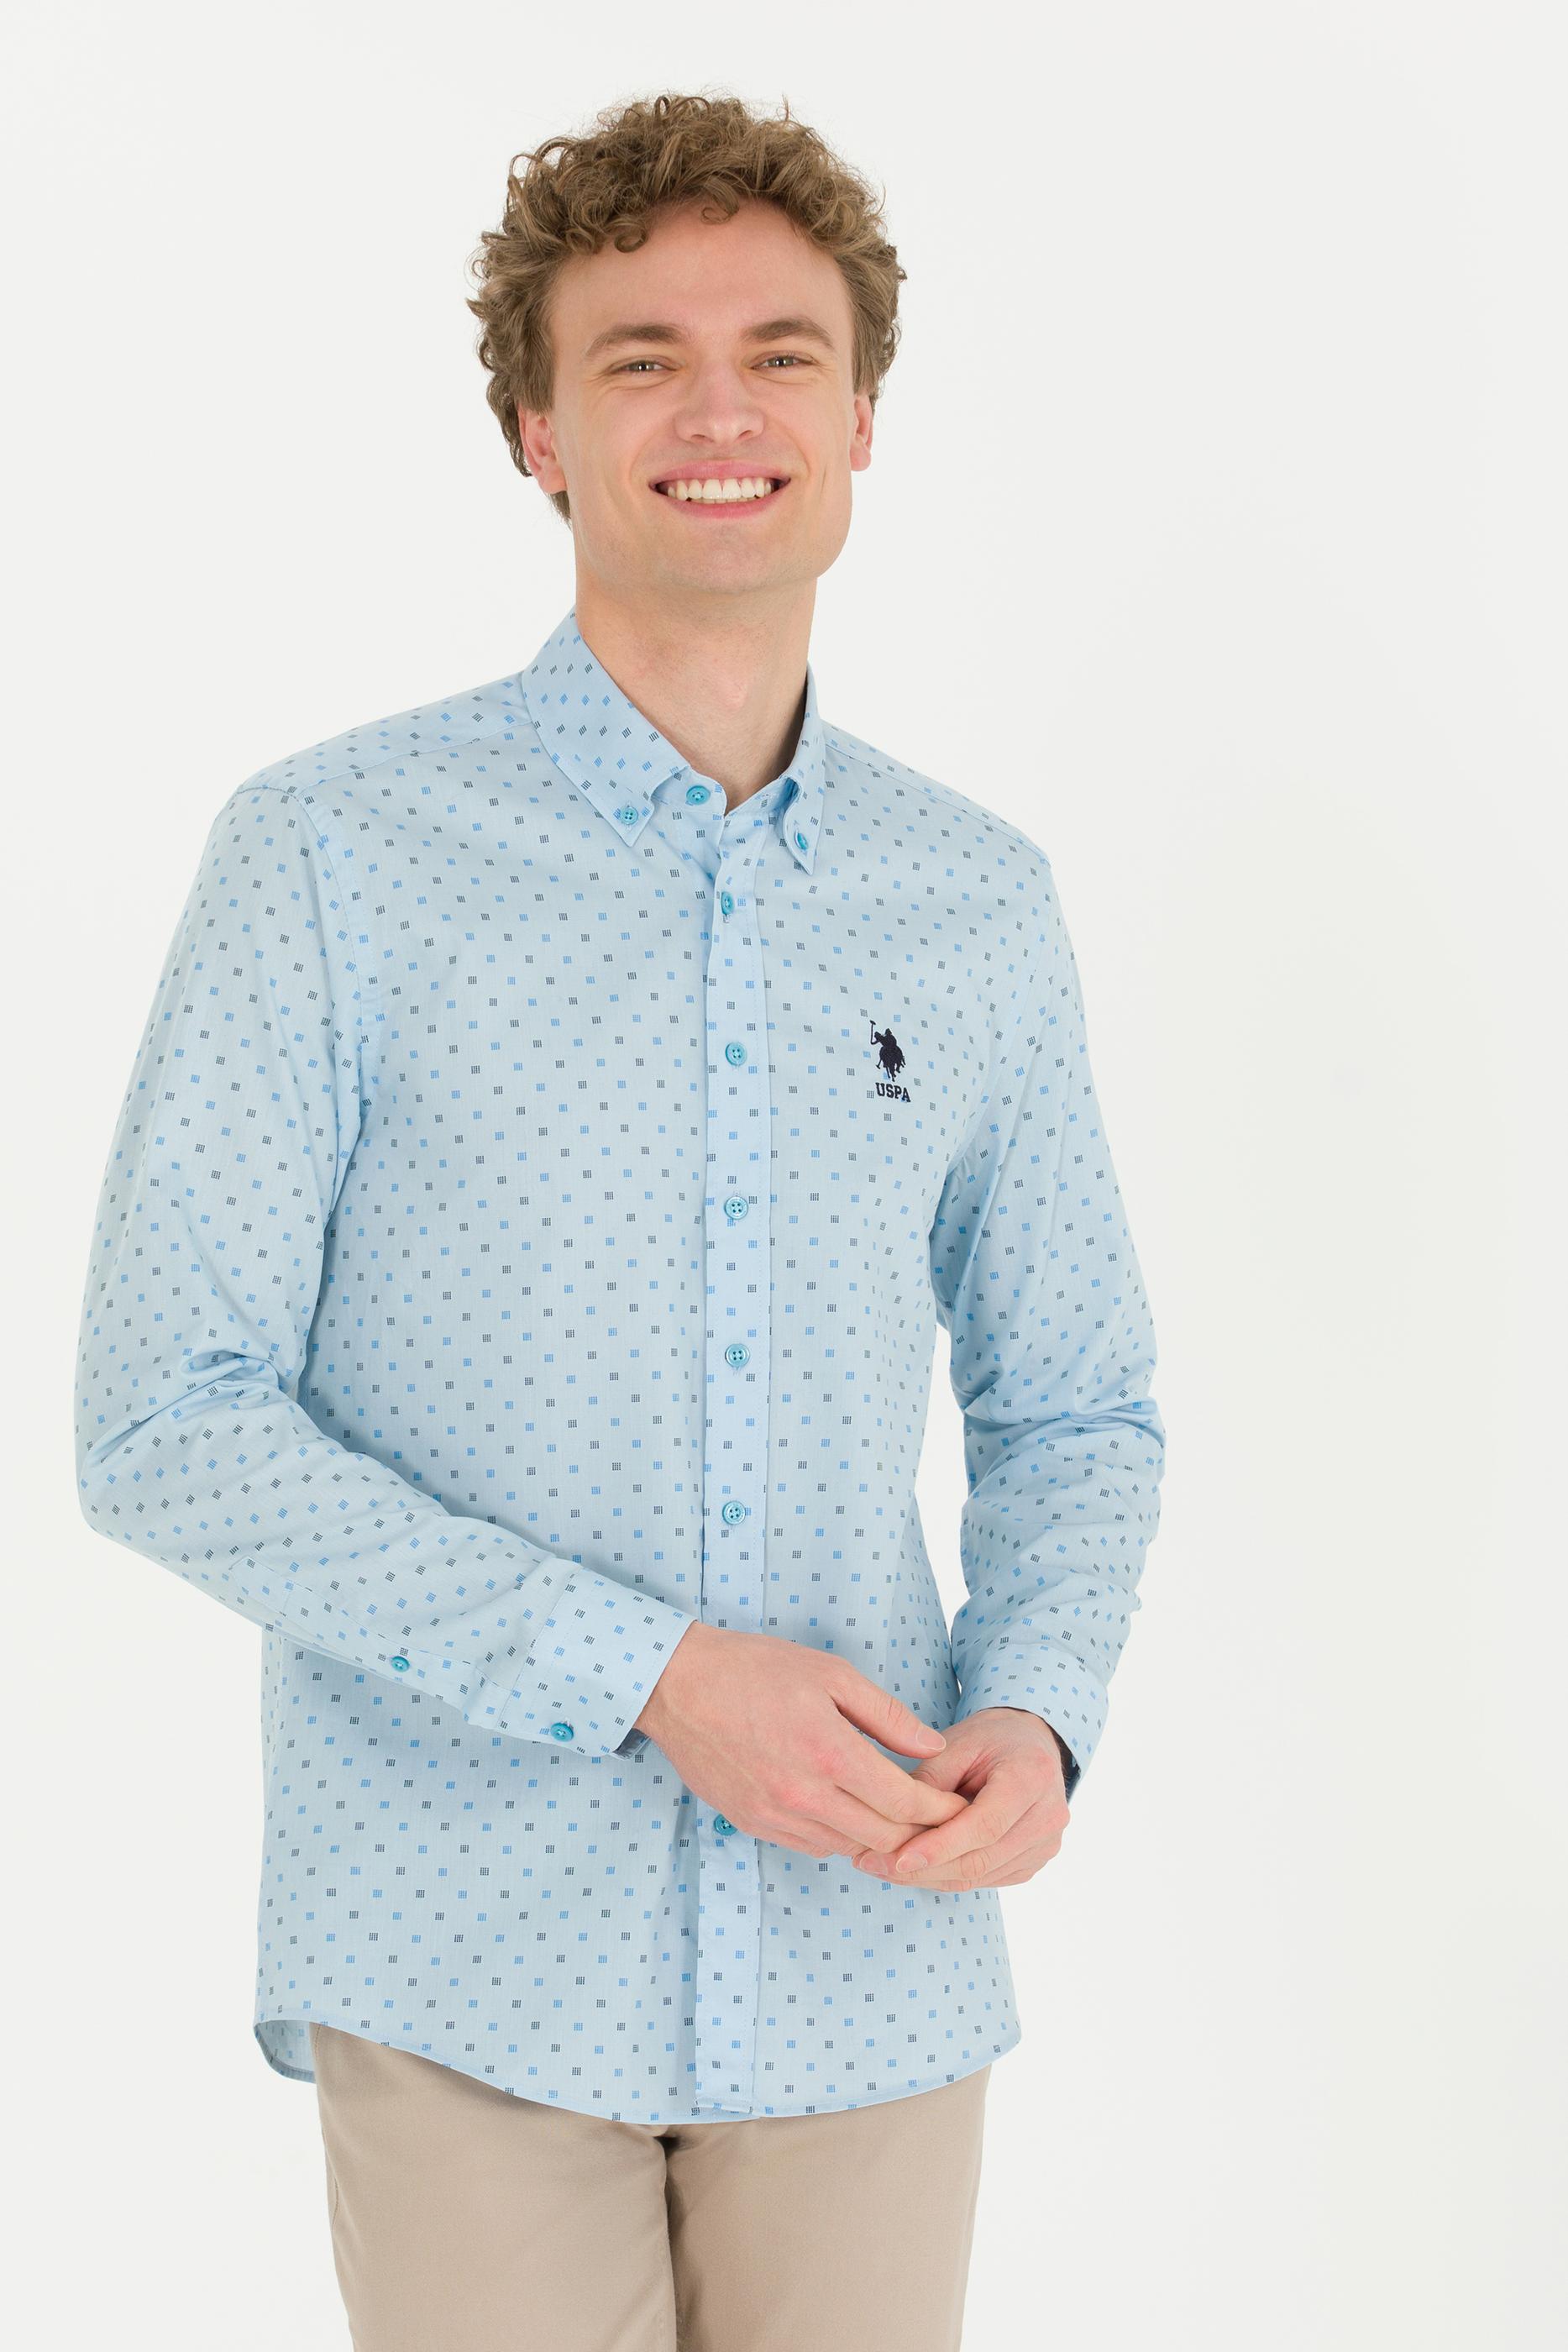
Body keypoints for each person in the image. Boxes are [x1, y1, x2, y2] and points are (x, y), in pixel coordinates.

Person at [73, 87, 1166, 2352]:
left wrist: (1040, 1711)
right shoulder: (333, 859)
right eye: (641, 359)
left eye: (780, 355)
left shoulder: (973, 902)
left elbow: (1072, 1402)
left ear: (862, 423)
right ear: (535, 431)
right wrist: (652, 1678)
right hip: (461, 1949)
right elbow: (166, 1417)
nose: (719, 413)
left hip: (869, 1945)